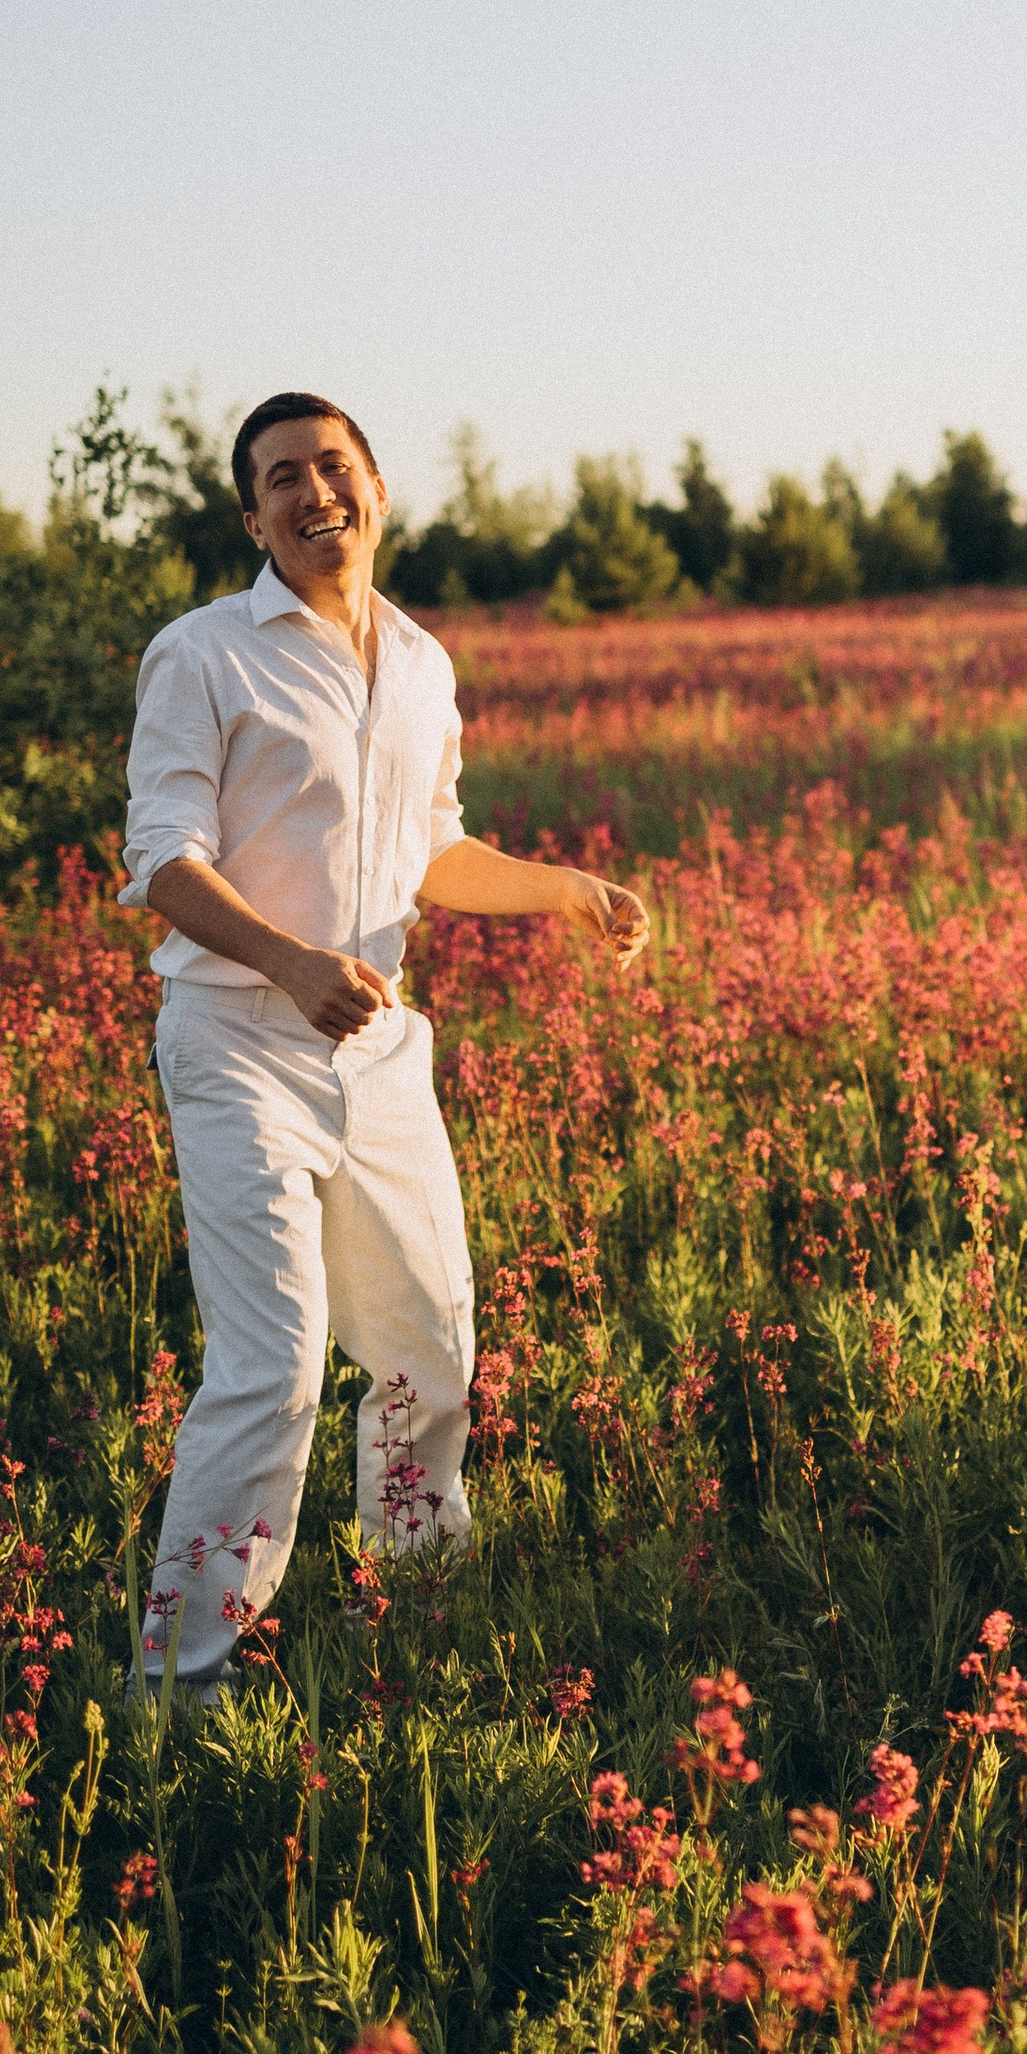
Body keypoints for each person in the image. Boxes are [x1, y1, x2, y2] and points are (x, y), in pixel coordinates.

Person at [119, 390, 649, 1700]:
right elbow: (161, 867)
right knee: (277, 1359)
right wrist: (292, 964)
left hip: (379, 1050)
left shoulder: (418, 661)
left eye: (334, 467)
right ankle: (183, 1686)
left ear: (379, 490)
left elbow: (432, 848)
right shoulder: (202, 655)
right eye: (282, 477)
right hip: (241, 1041)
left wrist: (570, 891)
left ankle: (413, 1606)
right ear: (253, 516)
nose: (314, 493)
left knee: (428, 1344)